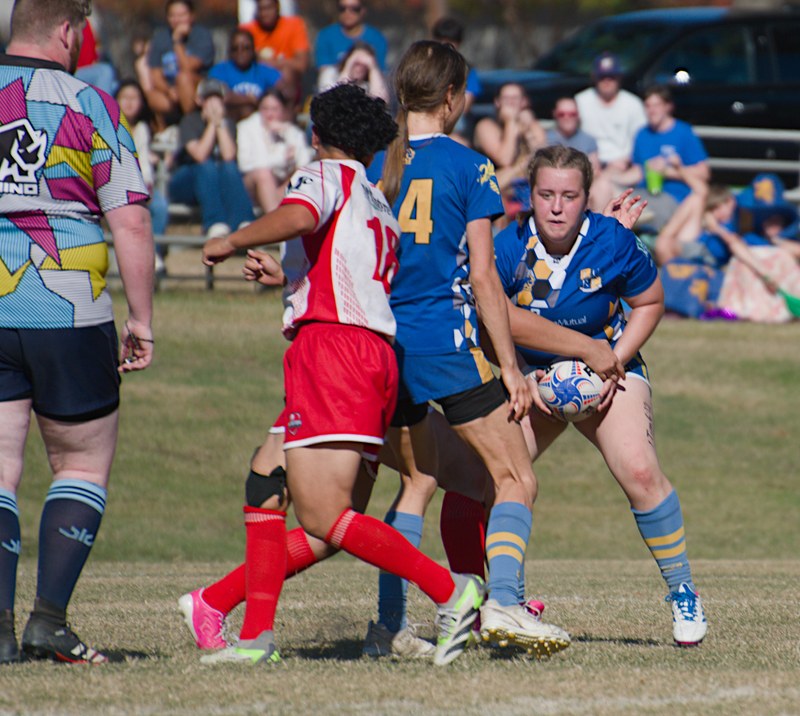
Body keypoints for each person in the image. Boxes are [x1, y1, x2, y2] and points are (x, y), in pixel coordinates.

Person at [198, 82, 485, 667]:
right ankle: (246, 629)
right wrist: (290, 276)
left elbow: (301, 213)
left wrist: (231, 238)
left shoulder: (323, 175)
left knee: (326, 519)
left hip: (332, 351)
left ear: (317, 135)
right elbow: (346, 266)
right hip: (370, 355)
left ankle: (452, 593)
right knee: (265, 476)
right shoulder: (376, 200)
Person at [378, 40, 571, 658]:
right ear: (455, 98)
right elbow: (485, 278)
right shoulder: (471, 167)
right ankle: (507, 606)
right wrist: (511, 368)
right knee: (516, 476)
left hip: (379, 344)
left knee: (416, 480)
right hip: (445, 342)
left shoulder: (373, 162)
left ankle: (388, 628)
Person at [492, 145, 707, 647]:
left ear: (587, 198)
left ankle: (682, 592)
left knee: (638, 469)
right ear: (530, 196)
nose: (557, 206)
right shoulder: (507, 247)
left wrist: (614, 362)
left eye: (569, 195)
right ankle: (508, 601)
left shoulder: (610, 239)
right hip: (533, 378)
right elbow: (490, 317)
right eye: (546, 194)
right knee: (497, 476)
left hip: (608, 368)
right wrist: (521, 372)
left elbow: (649, 301)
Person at [0, 0, 154, 665]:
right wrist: (143, 318)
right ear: (68, 30)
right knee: (82, 464)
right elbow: (131, 221)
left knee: (0, 471)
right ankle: (48, 621)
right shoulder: (90, 102)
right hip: (70, 306)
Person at [610, 85, 709, 265]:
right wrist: (610, 176)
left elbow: (704, 174)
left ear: (667, 106)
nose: (652, 110)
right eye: (648, 106)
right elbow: (638, 171)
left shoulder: (683, 132)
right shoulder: (642, 134)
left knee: (632, 211)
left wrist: (669, 170)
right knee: (609, 194)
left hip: (675, 199)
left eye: (656, 105)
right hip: (648, 193)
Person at [168, 78, 255, 239]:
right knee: (206, 166)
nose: (214, 103)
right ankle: (215, 223)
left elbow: (229, 156)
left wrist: (220, 123)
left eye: (217, 98)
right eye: (209, 98)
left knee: (229, 168)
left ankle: (243, 221)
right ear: (200, 100)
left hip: (212, 182)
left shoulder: (228, 123)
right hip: (186, 181)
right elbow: (200, 155)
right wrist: (212, 124)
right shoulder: (189, 121)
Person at [115, 79, 170, 272]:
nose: (129, 103)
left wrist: (146, 184)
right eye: (125, 97)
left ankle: (155, 256)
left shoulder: (143, 130)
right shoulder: (109, 127)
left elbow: (144, 163)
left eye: (134, 98)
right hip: (114, 187)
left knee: (159, 206)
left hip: (138, 186)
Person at [472, 82, 546, 223]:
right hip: (495, 190)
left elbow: (543, 158)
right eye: (507, 99)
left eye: (515, 98)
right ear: (497, 102)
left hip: (524, 189)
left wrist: (529, 130)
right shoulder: (486, 126)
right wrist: (511, 123)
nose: (511, 103)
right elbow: (505, 159)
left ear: (524, 102)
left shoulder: (531, 124)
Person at [237, 87, 314, 214]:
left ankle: (276, 214)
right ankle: (274, 220)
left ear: (283, 110)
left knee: (299, 176)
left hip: (280, 187)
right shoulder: (246, 127)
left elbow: (304, 164)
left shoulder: (291, 131)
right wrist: (281, 158)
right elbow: (245, 164)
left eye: (274, 109)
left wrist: (287, 135)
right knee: (264, 174)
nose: (269, 114)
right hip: (252, 185)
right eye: (265, 108)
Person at [145, 0, 215, 129]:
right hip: (171, 89)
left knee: (183, 78)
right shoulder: (160, 38)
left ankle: (191, 126)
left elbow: (188, 68)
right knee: (151, 96)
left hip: (196, 85)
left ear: (192, 15)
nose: (177, 20)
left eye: (182, 15)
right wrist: (168, 90)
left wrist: (177, 41)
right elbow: (155, 74)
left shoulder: (201, 35)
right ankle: (164, 130)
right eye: (173, 15)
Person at [575, 52, 646, 173]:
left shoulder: (633, 104)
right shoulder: (581, 101)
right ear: (594, 77)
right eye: (602, 77)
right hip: (586, 164)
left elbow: (641, 140)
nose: (606, 81)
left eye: (611, 77)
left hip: (622, 165)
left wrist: (627, 161)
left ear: (619, 78)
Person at [546, 96, 615, 211]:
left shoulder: (588, 140)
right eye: (562, 114)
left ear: (578, 115)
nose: (567, 118)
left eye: (572, 114)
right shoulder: (545, 139)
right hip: (554, 187)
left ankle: (599, 226)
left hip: (581, 186)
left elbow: (594, 170)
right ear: (555, 114)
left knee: (604, 186)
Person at [239, 0, 310, 104]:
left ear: (277, 7)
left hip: (285, 83)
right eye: (261, 9)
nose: (264, 13)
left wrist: (268, 62)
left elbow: (301, 64)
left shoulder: (294, 25)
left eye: (268, 8)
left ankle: (285, 112)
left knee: (287, 73)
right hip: (255, 82)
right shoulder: (246, 30)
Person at [209, 28, 283, 123]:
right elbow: (222, 95)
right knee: (246, 110)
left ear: (253, 50)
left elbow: (282, 91)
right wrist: (249, 99)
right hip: (228, 120)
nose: (240, 52)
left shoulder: (263, 70)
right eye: (235, 48)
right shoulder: (219, 70)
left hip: (261, 120)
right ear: (230, 51)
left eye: (246, 48)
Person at [315, 1, 387, 94]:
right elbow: (325, 73)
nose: (347, 13)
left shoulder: (376, 37)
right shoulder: (325, 36)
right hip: (335, 87)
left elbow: (380, 71)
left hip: (368, 89)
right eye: (342, 8)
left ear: (363, 10)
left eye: (354, 9)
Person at [321, 41, 389, 103]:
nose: (359, 69)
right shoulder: (330, 74)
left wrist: (373, 67)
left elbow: (381, 102)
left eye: (364, 65)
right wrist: (349, 65)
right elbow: (337, 99)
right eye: (356, 64)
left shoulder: (371, 83)